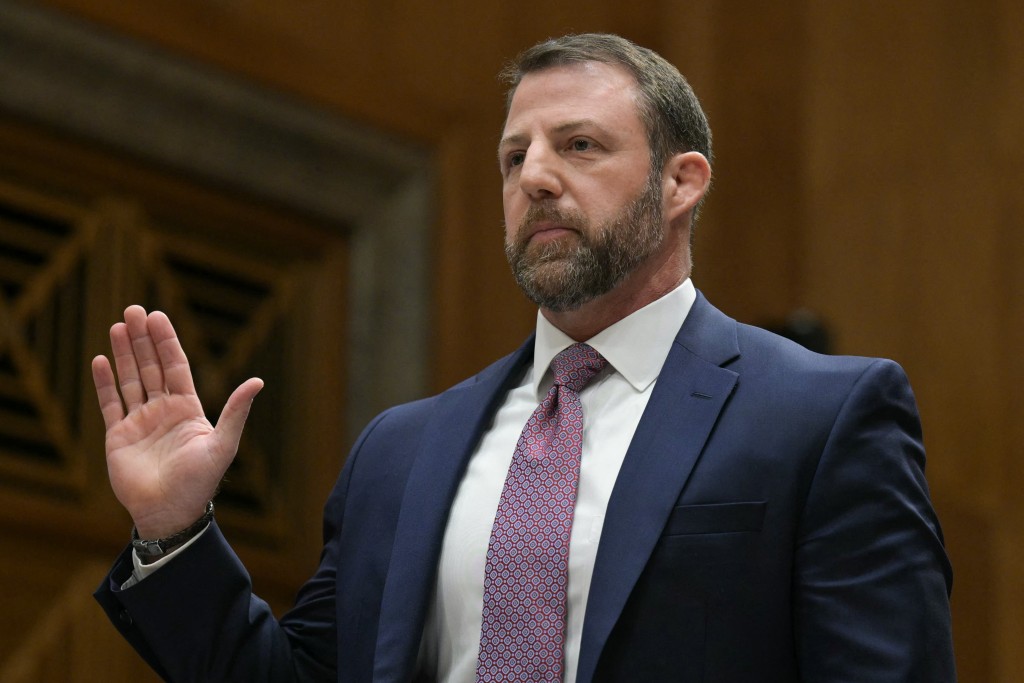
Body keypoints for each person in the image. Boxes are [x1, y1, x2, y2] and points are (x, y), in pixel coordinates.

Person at [92, 33, 955, 682]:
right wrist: (174, 533)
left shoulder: (822, 415)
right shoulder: (399, 451)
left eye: (578, 146)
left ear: (682, 180)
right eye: (514, 156)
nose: (534, 177)